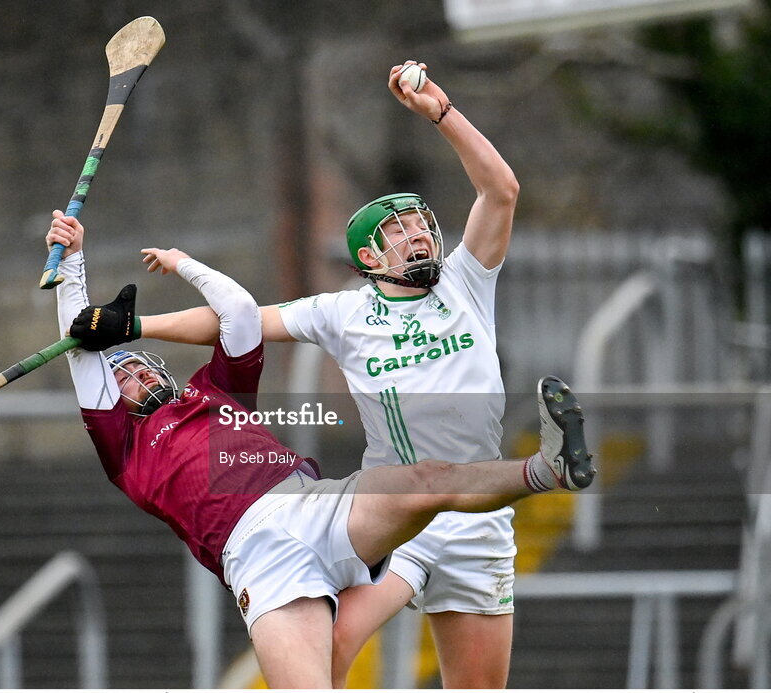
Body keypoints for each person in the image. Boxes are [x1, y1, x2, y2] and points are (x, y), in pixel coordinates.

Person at [75, 60, 564, 687]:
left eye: (420, 223)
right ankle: (544, 472)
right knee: (332, 641)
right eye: (397, 229)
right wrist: (136, 329)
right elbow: (241, 320)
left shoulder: (468, 283)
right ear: (367, 256)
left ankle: (540, 474)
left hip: (480, 517)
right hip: (397, 511)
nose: (417, 234)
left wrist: (441, 112)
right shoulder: (342, 310)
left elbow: (501, 191)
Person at [45, 207, 595, 688]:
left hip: (317, 506)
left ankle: (548, 471)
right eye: (122, 378)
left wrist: (179, 265)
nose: (135, 377)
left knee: (427, 479)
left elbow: (238, 314)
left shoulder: (211, 390)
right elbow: (80, 352)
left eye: (138, 366)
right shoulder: (124, 449)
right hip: (258, 560)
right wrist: (72, 269)